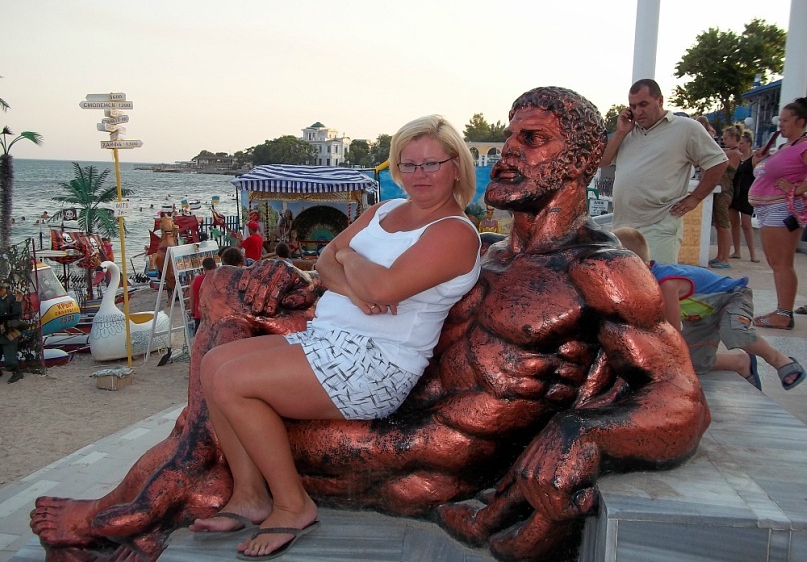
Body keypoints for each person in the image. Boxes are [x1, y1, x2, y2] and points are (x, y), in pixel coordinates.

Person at [30, 88, 709, 562]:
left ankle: (173, 508)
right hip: (370, 373)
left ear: (581, 159)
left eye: (531, 139)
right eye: (507, 136)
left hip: (414, 425)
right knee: (223, 326)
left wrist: (583, 432)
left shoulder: (599, 268)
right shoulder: (494, 255)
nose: (508, 152)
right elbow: (342, 268)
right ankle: (225, 495)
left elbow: (680, 398)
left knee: (221, 392)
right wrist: (321, 277)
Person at [187, 114, 482, 558]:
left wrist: (350, 258)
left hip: (377, 361)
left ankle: (293, 505)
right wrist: (355, 284)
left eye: (431, 164)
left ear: (456, 166)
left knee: (232, 381)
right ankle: (250, 495)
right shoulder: (382, 211)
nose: (419, 174)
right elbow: (325, 261)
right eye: (408, 164)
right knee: (214, 362)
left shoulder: (454, 232)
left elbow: (381, 286)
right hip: (327, 339)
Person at [614, 227, 804, 391]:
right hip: (702, 317)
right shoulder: (644, 286)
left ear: (644, 266)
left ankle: (780, 361)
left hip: (732, 297)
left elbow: (672, 332)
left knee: (734, 331)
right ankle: (742, 363)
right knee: (691, 363)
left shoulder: (666, 284)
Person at [601, 79, 727, 263]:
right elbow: (603, 161)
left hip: (659, 225)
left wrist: (695, 198)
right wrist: (620, 132)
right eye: (633, 106)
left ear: (659, 100)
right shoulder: (628, 132)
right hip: (623, 226)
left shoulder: (686, 128)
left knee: (657, 279)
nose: (638, 111)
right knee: (625, 280)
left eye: (643, 104)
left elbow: (718, 162)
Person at [748, 97, 807, 329]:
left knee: (781, 263)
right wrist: (757, 162)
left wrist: (797, 189)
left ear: (800, 121)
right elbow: (765, 174)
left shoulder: (803, 146)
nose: (780, 124)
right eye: (780, 120)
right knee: (777, 262)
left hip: (782, 209)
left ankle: (783, 313)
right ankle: (782, 310)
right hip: (769, 209)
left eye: (785, 120)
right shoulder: (786, 147)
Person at [709, 125, 744, 268]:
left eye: (726, 138)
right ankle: (720, 255)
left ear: (734, 138)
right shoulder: (730, 152)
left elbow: (715, 153)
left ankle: (725, 258)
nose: (724, 141)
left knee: (723, 224)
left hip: (725, 191)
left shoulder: (734, 153)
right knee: (719, 225)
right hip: (721, 190)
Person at [729, 129, 760, 263]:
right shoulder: (737, 157)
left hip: (747, 193)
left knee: (746, 223)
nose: (740, 146)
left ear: (748, 143)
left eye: (742, 143)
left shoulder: (753, 158)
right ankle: (737, 251)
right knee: (734, 223)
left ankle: (753, 253)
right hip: (734, 192)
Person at [0, 279, 24, 384]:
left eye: (1, 289)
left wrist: (18, 301)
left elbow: (17, 315)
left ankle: (17, 372)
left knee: (10, 357)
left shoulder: (12, 298)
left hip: (8, 330)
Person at [190, 257, 218, 330]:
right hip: (216, 314)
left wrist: (192, 312)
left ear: (204, 268)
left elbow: (192, 299)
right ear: (215, 266)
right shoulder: (218, 279)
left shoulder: (196, 280)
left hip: (200, 315)